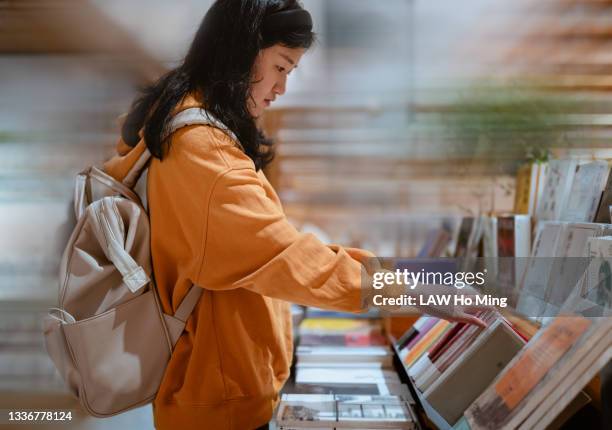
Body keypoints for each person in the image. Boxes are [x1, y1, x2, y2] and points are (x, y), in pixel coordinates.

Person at [103, 1, 485, 428]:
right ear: (241, 52)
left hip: (208, 385)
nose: (282, 87)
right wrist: (410, 290)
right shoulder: (203, 150)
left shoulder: (182, 128)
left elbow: (255, 246)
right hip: (219, 396)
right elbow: (277, 254)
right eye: (281, 67)